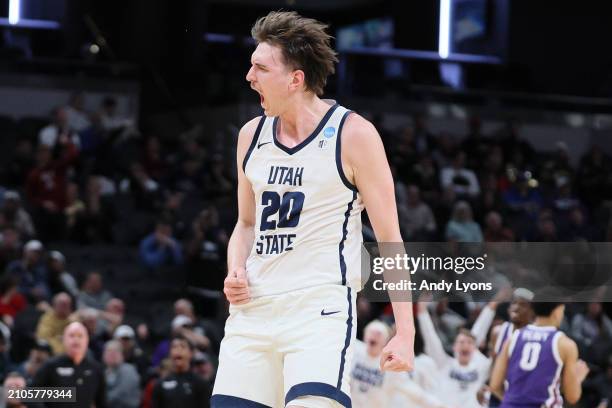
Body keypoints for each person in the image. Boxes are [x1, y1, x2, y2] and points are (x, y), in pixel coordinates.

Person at [212, 11, 414, 408]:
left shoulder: (353, 134)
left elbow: (391, 240)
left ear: (295, 79)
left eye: (259, 68)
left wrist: (404, 332)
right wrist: (235, 267)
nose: (249, 77)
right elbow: (246, 223)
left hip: (318, 312)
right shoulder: (250, 136)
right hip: (252, 312)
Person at [490, 301, 590, 407]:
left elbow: (495, 385)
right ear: (557, 311)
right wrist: (577, 379)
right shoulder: (565, 344)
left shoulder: (514, 337)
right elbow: (572, 397)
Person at [417, 297, 497, 407]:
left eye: (469, 343)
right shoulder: (444, 363)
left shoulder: (482, 367)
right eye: (461, 342)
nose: (465, 345)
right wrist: (422, 312)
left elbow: (498, 355)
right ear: (454, 347)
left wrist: (492, 306)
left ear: (475, 348)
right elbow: (430, 337)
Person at [350, 320, 446, 408]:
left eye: (378, 334)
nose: (374, 336)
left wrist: (438, 405)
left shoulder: (390, 366)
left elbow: (414, 392)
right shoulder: (352, 350)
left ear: (385, 341)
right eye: (371, 332)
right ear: (365, 335)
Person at [33, 321, 106, 408]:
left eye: (80, 336)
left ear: (87, 340)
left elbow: (102, 403)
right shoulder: (51, 365)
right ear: (64, 340)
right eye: (71, 335)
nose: (76, 340)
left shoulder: (96, 369)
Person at [151, 335, 211, 408]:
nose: (178, 350)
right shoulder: (160, 384)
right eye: (174, 347)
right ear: (170, 353)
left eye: (182, 346)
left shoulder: (200, 383)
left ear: (191, 353)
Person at [103, 340, 141, 408]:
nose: (112, 354)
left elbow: (121, 392)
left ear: (122, 354)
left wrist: (100, 399)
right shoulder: (104, 372)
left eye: (115, 351)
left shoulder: (128, 370)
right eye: (108, 351)